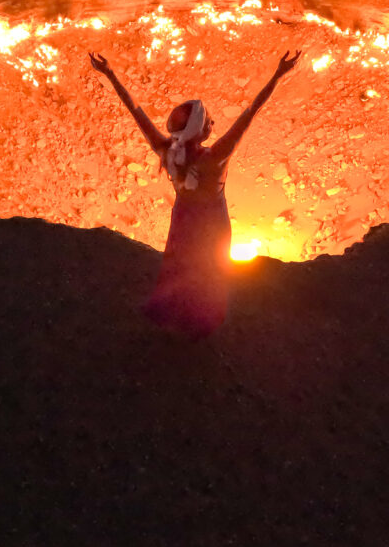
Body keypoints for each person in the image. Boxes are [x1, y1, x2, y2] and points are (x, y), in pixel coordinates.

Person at [89, 50, 302, 338]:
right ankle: (201, 325)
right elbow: (250, 113)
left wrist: (110, 73)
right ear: (201, 131)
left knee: (180, 268)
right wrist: (278, 75)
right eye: (209, 121)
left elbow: (136, 111)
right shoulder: (215, 159)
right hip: (212, 224)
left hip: (183, 219)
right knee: (209, 274)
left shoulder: (167, 150)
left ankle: (173, 318)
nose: (213, 124)